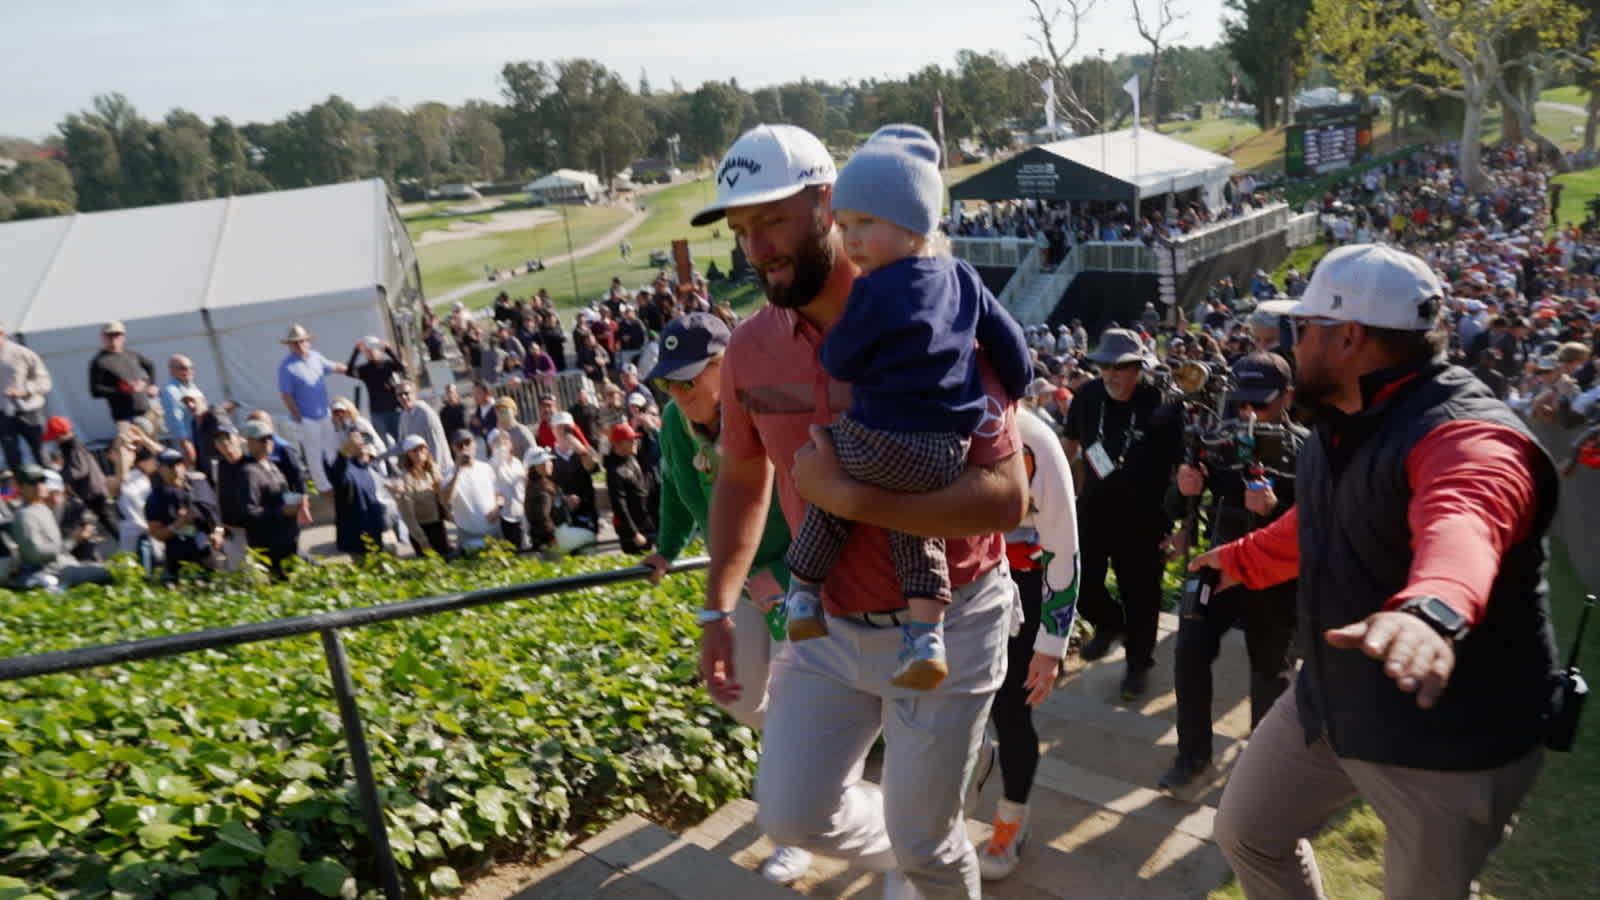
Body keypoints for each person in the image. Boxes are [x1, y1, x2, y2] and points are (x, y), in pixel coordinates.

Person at [694, 123, 1028, 899]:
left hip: (948, 622)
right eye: (743, 231)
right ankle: (918, 825)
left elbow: (1006, 500)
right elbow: (742, 479)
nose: (756, 248)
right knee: (791, 815)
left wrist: (849, 497)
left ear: (827, 204)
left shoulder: (935, 312)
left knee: (929, 846)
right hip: (827, 630)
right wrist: (716, 608)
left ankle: (925, 828)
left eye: (771, 220)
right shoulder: (748, 348)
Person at [1191, 244, 1561, 898]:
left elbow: (1466, 521)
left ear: (1350, 338)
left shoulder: (1467, 434)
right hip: (1334, 699)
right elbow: (1331, 517)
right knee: (1246, 831)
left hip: (1450, 740)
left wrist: (1432, 610)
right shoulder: (1348, 415)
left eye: (1301, 330)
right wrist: (1241, 560)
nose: (1287, 343)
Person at [777, 124, 1031, 694]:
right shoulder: (962, 276)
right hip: (946, 451)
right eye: (845, 227)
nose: (853, 240)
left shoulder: (872, 291)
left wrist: (849, 353)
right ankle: (926, 634)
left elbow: (840, 361)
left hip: (879, 438)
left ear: (913, 222)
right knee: (916, 525)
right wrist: (1016, 386)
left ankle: (803, 589)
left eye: (867, 223)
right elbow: (1010, 338)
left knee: (825, 480)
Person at [637, 311, 811, 884]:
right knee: (740, 696)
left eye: (687, 379)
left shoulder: (767, 403)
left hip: (797, 571)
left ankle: (793, 831)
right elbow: (675, 491)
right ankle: (818, 761)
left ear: (724, 366)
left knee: (803, 692)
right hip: (739, 578)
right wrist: (665, 549)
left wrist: (785, 577)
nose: (676, 392)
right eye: (667, 381)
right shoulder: (671, 421)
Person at [1158, 352, 1306, 792]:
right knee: (1189, 652)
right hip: (1218, 566)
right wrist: (1184, 486)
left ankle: (1263, 766)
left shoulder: (1306, 449)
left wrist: (1276, 510)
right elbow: (1174, 504)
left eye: (1261, 404)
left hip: (1271, 576)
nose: (1249, 413)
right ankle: (1193, 758)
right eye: (1243, 402)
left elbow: (1317, 522)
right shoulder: (1218, 439)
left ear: (1287, 398)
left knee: (1268, 670)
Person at [978, 409, 1081, 881]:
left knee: (1012, 711)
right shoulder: (925, 410)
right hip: (954, 585)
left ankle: (1011, 816)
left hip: (1026, 583)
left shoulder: (1035, 442)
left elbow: (1064, 546)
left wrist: (1052, 644)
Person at [1061, 328, 1185, 699]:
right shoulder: (1087, 396)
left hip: (1145, 518)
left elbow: (1185, 470)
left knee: (1142, 596)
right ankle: (1111, 624)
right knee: (1081, 585)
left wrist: (1182, 527)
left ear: (1138, 368)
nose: (1111, 375)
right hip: (1094, 510)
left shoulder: (1161, 404)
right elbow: (1070, 447)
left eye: (1120, 367)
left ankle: (1137, 665)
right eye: (1104, 367)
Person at [9, 465, 113, 590]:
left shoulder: (43, 508)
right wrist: (73, 540)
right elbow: (35, 555)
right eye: (32, 482)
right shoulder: (25, 515)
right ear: (21, 487)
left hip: (65, 565)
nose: (39, 486)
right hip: (53, 572)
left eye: (42, 481)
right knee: (107, 574)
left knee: (107, 569)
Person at [277, 324, 348, 492]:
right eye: (295, 343)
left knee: (331, 447)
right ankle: (324, 487)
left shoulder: (316, 357)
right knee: (314, 454)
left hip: (324, 413)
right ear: (289, 345)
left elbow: (333, 366)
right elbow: (286, 395)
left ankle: (337, 479)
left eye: (302, 341)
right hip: (307, 417)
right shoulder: (286, 367)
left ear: (308, 342)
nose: (300, 345)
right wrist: (299, 417)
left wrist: (352, 369)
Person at [144, 448, 224, 581]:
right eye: (170, 465)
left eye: (179, 464)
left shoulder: (198, 483)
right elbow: (156, 534)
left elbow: (217, 515)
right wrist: (178, 525)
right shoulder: (155, 498)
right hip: (181, 561)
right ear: (159, 469)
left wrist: (218, 533)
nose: (176, 469)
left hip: (209, 554)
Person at [239, 419, 303, 577]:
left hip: (286, 538)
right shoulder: (249, 472)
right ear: (250, 443)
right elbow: (249, 511)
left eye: (270, 438)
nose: (268, 442)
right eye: (262, 439)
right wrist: (281, 511)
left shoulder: (273, 466)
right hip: (269, 543)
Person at [327, 432, 389, 559]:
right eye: (355, 441)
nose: (360, 444)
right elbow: (337, 477)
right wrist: (344, 452)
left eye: (363, 440)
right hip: (357, 535)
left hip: (378, 530)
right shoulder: (347, 466)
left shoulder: (373, 467)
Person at [0, 321, 51, 470]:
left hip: (29, 410)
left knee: (40, 451)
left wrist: (25, 390)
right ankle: (25, 489)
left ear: (3, 334)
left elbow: (44, 381)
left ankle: (51, 487)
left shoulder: (22, 353)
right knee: (12, 455)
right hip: (3, 414)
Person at [88, 321, 159, 425]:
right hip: (125, 417)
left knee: (153, 440)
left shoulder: (132, 355)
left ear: (123, 337)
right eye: (110, 335)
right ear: (103, 337)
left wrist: (151, 384)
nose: (113, 338)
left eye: (117, 335)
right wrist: (123, 389)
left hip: (147, 410)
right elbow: (95, 390)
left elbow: (150, 366)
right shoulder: (100, 361)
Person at [603, 421, 659, 553]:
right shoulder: (615, 471)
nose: (635, 442)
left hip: (645, 523)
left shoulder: (632, 459)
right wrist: (634, 533)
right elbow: (619, 506)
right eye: (630, 440)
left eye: (635, 439)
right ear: (617, 445)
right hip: (632, 530)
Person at [442, 430, 499, 553]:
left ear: (474, 444)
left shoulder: (486, 468)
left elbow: (498, 494)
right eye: (459, 445)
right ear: (453, 448)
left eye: (467, 443)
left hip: (493, 531)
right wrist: (457, 471)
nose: (464, 448)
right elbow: (447, 500)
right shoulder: (449, 474)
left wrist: (497, 508)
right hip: (469, 535)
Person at [393, 434, 450, 557]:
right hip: (421, 529)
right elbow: (407, 514)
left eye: (422, 449)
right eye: (414, 451)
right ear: (408, 454)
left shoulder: (433, 471)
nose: (419, 454)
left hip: (438, 524)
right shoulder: (406, 478)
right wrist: (422, 540)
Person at [346, 336, 407, 444]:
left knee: (402, 440)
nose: (372, 353)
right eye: (368, 351)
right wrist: (356, 352)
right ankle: (388, 461)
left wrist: (388, 350)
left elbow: (401, 367)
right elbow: (349, 372)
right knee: (382, 444)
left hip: (394, 410)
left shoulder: (387, 364)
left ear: (380, 352)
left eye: (374, 350)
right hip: (377, 413)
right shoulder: (365, 369)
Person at [549, 413, 601, 533]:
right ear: (553, 430)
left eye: (566, 427)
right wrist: (563, 499)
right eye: (559, 427)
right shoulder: (549, 457)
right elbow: (547, 488)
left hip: (586, 511)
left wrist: (583, 452)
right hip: (563, 515)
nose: (563, 431)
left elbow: (593, 468)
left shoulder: (583, 451)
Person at [393, 380, 449, 469]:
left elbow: (436, 445)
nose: (403, 397)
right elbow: (402, 444)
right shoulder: (404, 415)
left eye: (406, 393)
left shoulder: (426, 413)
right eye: (399, 395)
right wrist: (378, 458)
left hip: (439, 468)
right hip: (422, 469)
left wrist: (435, 470)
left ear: (414, 394)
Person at [488, 430, 528, 550]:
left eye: (505, 441)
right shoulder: (491, 465)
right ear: (491, 446)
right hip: (504, 516)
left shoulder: (516, 462)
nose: (503, 444)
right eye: (498, 442)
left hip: (521, 513)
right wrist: (499, 451)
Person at [161, 355, 205, 462]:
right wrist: (185, 444)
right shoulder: (170, 390)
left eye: (191, 368)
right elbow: (175, 419)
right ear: (172, 371)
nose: (189, 371)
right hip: (188, 441)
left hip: (200, 438)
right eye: (183, 368)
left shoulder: (191, 386)